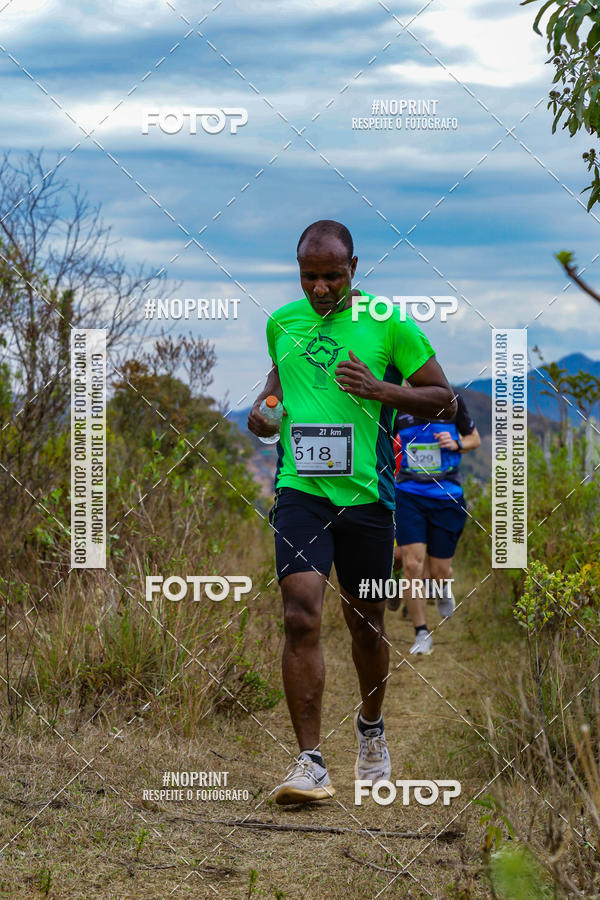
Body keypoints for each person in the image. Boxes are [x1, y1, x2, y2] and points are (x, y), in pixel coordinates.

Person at [247, 219, 457, 804]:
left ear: (354, 268)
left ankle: (370, 729)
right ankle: (310, 762)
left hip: (368, 500)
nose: (319, 289)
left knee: (366, 625)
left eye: (331, 277)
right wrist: (262, 415)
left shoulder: (389, 324)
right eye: (309, 276)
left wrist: (380, 390)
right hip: (301, 493)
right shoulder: (281, 323)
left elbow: (444, 395)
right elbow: (276, 390)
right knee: (301, 615)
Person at [388, 392, 480, 655]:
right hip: (409, 494)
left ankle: (442, 588)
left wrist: (456, 443)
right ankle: (421, 633)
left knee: (440, 572)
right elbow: (384, 441)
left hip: (447, 496)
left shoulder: (452, 402)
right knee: (412, 564)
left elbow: (474, 439)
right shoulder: (399, 405)